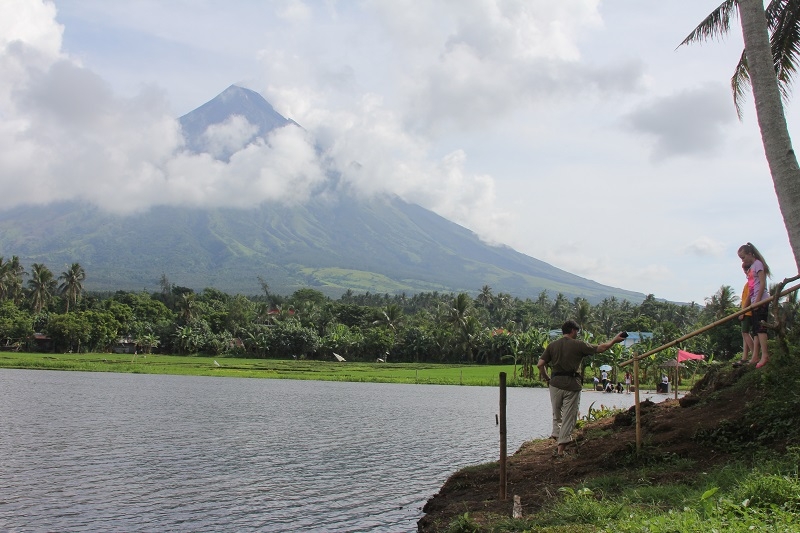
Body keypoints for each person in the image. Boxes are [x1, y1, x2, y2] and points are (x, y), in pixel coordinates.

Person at [538, 320, 626, 458]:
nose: (577, 334)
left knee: (557, 413)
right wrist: (614, 340)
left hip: (555, 384)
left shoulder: (552, 345)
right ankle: (560, 450)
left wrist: (547, 379)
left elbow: (540, 364)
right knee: (569, 416)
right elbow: (601, 348)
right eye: (577, 331)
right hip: (572, 384)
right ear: (573, 330)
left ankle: (557, 436)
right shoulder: (578, 344)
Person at [738, 242, 771, 368]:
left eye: (743, 257)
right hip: (755, 301)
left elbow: (762, 283)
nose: (743, 260)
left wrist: (757, 301)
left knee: (761, 329)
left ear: (750, 254)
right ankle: (755, 356)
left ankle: (765, 355)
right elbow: (751, 291)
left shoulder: (758, 264)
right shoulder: (751, 268)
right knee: (756, 330)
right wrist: (745, 308)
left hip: (761, 300)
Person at [733, 263, 754, 367]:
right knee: (744, 334)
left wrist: (743, 311)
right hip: (747, 311)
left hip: (748, 312)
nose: (746, 273)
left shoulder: (751, 282)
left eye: (746, 270)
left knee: (745, 333)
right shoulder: (748, 282)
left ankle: (754, 354)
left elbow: (749, 297)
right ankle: (744, 357)